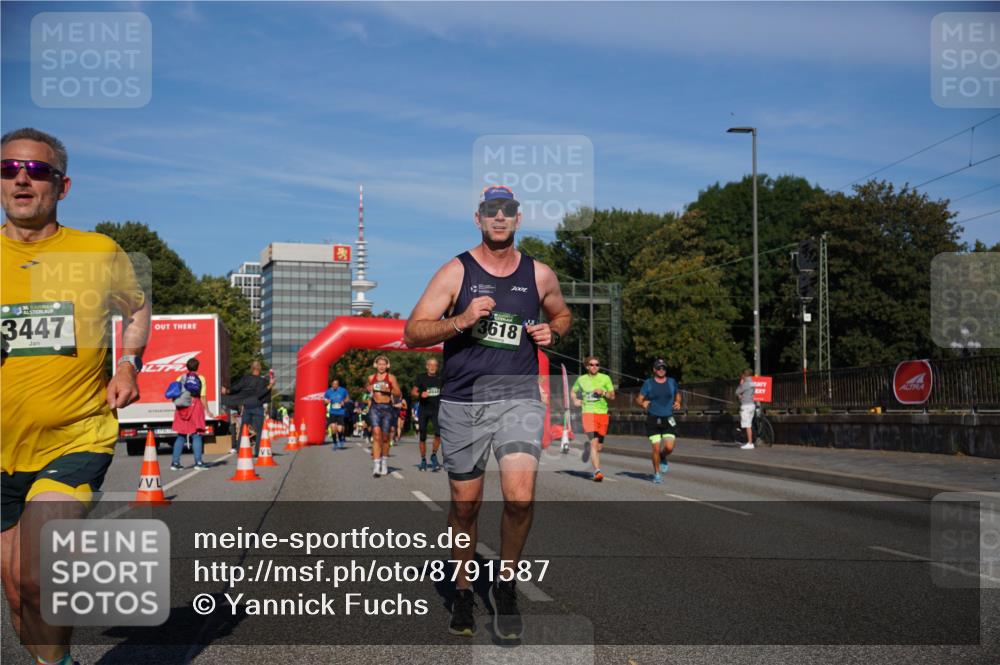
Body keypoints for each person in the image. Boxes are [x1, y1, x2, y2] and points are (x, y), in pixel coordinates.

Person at [1, 128, 151, 665]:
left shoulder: (97, 251)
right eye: (9, 168)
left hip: (75, 435)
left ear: (62, 186)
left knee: (40, 576)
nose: (22, 177)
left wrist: (128, 364)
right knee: (18, 596)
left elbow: (135, 309)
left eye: (37, 170)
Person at [403, 184, 571, 640]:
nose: (500, 217)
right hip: (463, 402)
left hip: (518, 397)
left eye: (508, 210)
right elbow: (413, 331)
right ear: (478, 218)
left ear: (518, 218)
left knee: (519, 497)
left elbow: (562, 315)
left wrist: (552, 332)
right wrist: (460, 320)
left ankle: (506, 583)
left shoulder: (540, 274)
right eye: (491, 210)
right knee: (465, 505)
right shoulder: (456, 271)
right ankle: (461, 587)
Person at [635, 358, 682, 484]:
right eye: (659, 368)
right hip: (653, 418)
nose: (661, 370)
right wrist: (642, 403)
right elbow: (638, 399)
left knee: (669, 447)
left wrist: (678, 401)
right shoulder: (648, 383)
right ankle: (656, 474)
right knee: (655, 448)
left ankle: (663, 456)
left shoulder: (672, 382)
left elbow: (677, 394)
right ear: (654, 370)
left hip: (668, 418)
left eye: (663, 368)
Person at [571, 356, 616, 482]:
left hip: (602, 413)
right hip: (588, 413)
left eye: (597, 364)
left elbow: (612, 396)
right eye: (591, 364)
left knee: (599, 447)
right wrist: (575, 400)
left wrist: (603, 393)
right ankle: (597, 472)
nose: (594, 366)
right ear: (587, 366)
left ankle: (588, 449)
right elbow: (573, 392)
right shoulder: (581, 380)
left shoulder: (605, 378)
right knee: (594, 443)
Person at [221, 360, 274, 455]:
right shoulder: (263, 381)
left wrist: (227, 391)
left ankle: (240, 449)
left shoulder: (245, 379)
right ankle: (258, 452)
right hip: (258, 407)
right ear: (260, 369)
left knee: (243, 429)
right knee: (259, 431)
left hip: (247, 407)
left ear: (251, 369)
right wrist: (270, 385)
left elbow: (236, 388)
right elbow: (261, 394)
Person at [170, 358, 213, 470]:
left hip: (182, 406)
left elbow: (175, 394)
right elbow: (202, 397)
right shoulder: (201, 378)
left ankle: (175, 463)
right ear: (197, 367)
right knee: (197, 434)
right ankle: (198, 463)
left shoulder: (180, 378)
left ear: (186, 366)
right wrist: (208, 410)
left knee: (181, 435)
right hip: (195, 405)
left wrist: (178, 405)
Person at [366, 356, 401, 477]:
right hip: (375, 407)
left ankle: (384, 462)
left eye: (383, 364)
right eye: (379, 364)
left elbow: (398, 393)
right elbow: (368, 388)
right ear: (375, 365)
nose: (381, 366)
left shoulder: (391, 378)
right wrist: (369, 389)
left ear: (387, 366)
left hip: (387, 408)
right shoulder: (371, 377)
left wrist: (389, 389)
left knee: (385, 438)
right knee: (376, 434)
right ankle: (376, 466)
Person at [412, 357, 443, 471]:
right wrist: (420, 394)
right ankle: (423, 459)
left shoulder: (441, 378)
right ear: (426, 366)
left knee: (439, 434)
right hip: (424, 410)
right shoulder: (421, 377)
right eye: (430, 365)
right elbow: (413, 392)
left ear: (437, 367)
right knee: (423, 436)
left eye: (435, 365)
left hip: (436, 410)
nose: (432, 367)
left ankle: (434, 455)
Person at [324, 377, 349, 449]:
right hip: (332, 412)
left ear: (338, 384)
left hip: (340, 412)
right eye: (333, 384)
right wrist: (326, 402)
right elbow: (325, 401)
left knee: (340, 429)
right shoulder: (328, 392)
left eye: (336, 384)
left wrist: (343, 402)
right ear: (331, 384)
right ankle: (335, 443)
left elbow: (347, 398)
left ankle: (340, 439)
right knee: (333, 428)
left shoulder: (343, 390)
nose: (335, 385)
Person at [736, 368, 756, 450]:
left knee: (747, 425)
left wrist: (741, 384)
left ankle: (750, 443)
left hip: (746, 406)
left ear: (744, 375)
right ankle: (748, 441)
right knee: (749, 424)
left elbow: (737, 391)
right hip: (751, 404)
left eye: (742, 375)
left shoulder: (745, 383)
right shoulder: (752, 383)